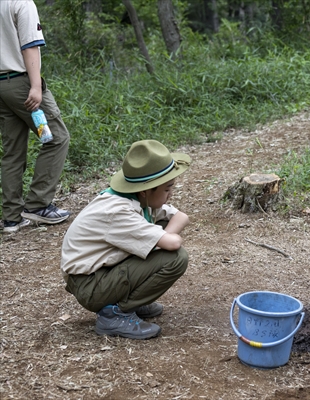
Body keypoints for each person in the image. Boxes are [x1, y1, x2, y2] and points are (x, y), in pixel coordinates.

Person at [61, 140, 192, 340]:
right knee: (176, 258)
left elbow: (181, 216)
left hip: (101, 274)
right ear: (145, 190)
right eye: (166, 189)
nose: (170, 194)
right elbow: (173, 244)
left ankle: (131, 300)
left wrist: (166, 236)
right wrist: (168, 237)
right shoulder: (118, 212)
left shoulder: (136, 199)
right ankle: (114, 314)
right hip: (89, 284)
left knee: (163, 239)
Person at [0, 0, 71, 233]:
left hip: (1, 87)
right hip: (22, 84)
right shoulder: (21, 2)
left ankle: (11, 218)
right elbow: (29, 46)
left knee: (13, 151)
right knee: (57, 137)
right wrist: (35, 86)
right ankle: (38, 205)